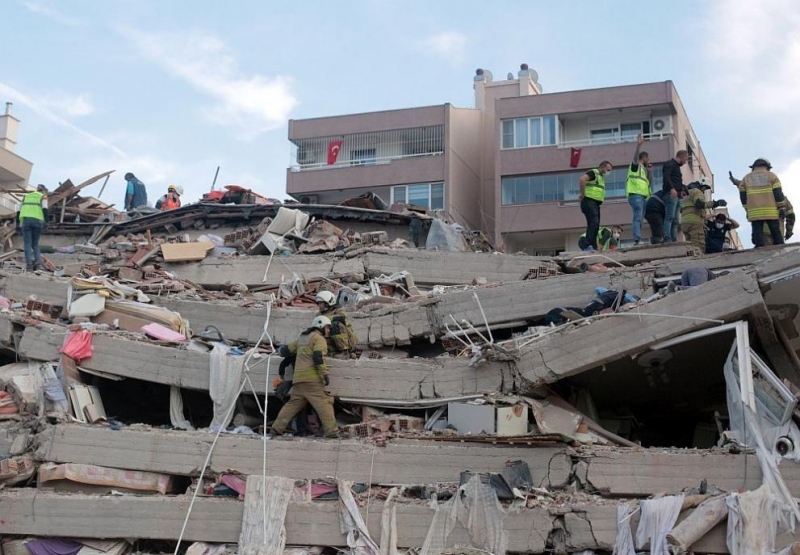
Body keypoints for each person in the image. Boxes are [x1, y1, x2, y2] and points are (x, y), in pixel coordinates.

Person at [270, 316, 339, 438]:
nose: (329, 330)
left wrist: (279, 350)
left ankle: (276, 429)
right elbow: (318, 357)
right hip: (312, 380)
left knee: (291, 406)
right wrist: (324, 374)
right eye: (327, 327)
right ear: (321, 326)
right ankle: (332, 432)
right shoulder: (319, 339)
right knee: (325, 403)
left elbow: (285, 351)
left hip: (298, 380)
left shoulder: (302, 338)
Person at [733, 158, 786, 247]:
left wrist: (747, 209)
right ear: (767, 167)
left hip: (754, 212)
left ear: (753, 167)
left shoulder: (746, 178)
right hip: (770, 210)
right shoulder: (772, 176)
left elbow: (743, 197)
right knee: (776, 232)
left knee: (758, 233)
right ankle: (781, 248)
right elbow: (778, 193)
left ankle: (759, 250)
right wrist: (781, 206)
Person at [680, 179, 726, 252]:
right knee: (698, 247)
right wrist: (715, 203)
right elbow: (699, 204)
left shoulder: (686, 194)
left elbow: (681, 209)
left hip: (684, 223)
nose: (704, 191)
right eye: (705, 188)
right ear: (702, 186)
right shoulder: (697, 192)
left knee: (690, 248)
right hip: (694, 223)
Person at [578, 161, 613, 252]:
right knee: (593, 223)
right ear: (602, 167)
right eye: (608, 170)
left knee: (595, 225)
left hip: (595, 203)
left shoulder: (601, 178)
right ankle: (587, 245)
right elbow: (582, 179)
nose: (608, 172)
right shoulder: (594, 173)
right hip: (589, 201)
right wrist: (582, 194)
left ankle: (593, 246)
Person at [15, 184, 49, 271]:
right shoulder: (43, 197)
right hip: (38, 222)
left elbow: (18, 210)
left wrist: (17, 224)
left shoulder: (26, 197)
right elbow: (45, 209)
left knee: (27, 244)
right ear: (43, 191)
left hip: (26, 222)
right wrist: (47, 222)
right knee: (35, 244)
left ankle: (29, 265)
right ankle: (37, 265)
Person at [626, 134, 652, 246]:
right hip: (635, 195)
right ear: (644, 158)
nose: (648, 161)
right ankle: (637, 239)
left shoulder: (643, 170)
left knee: (640, 218)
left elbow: (648, 183)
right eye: (648, 158)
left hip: (642, 197)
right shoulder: (635, 166)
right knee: (637, 217)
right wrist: (638, 146)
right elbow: (635, 158)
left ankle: (637, 239)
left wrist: (649, 173)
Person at [315, 291, 358, 358]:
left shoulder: (339, 310)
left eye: (320, 303)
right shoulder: (319, 314)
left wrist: (325, 319)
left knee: (335, 325)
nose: (319, 305)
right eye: (318, 303)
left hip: (348, 341)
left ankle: (344, 352)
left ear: (327, 303)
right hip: (331, 342)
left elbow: (341, 318)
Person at [662, 150, 689, 243]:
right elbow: (666, 177)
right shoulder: (670, 164)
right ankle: (667, 237)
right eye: (686, 159)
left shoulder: (676, 166)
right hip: (671, 194)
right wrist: (672, 188)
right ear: (681, 157)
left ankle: (673, 239)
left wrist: (679, 191)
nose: (685, 162)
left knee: (675, 220)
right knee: (670, 217)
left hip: (676, 195)